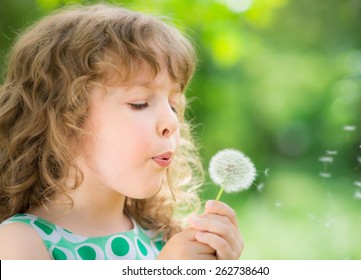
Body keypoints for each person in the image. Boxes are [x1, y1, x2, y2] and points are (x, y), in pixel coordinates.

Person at [0, 4, 243, 260]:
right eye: (139, 103)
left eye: (173, 105)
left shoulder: (164, 238)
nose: (171, 121)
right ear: (63, 117)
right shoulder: (19, 243)